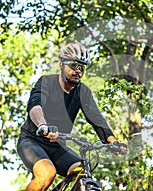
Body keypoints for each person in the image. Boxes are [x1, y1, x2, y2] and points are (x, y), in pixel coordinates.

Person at [17, 42, 127, 191]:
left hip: (58, 146)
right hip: (32, 141)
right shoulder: (46, 82)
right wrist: (43, 125)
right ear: (62, 64)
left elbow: (96, 119)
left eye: (82, 67)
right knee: (47, 173)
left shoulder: (83, 93)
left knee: (83, 172)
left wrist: (113, 142)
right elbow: (35, 106)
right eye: (74, 66)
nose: (78, 71)